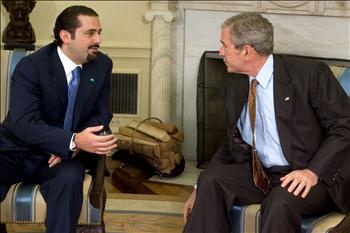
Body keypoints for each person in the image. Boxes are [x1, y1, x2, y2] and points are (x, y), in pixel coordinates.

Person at [183, 12, 350, 233]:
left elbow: (344, 126)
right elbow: (231, 142)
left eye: (224, 45)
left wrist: (312, 172)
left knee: (280, 203)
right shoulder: (236, 86)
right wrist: (199, 188)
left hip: (309, 177)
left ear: (246, 51)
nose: (221, 52)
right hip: (261, 174)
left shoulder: (309, 74)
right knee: (211, 179)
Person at [0, 5, 117, 233]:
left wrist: (73, 147)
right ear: (66, 36)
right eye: (90, 33)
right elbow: (23, 123)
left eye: (99, 32)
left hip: (63, 159)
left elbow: (101, 114)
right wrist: (70, 140)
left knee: (70, 179)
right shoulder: (32, 67)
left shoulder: (102, 66)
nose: (98, 40)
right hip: (16, 150)